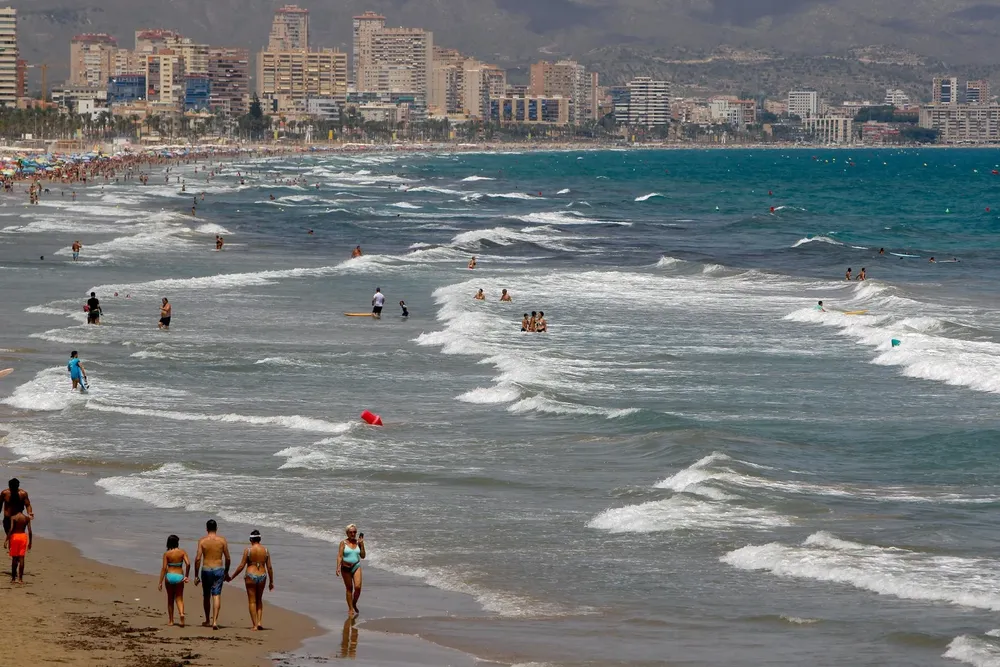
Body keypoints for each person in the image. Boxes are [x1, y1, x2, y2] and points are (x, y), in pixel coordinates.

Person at [228, 529, 274, 631]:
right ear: (260, 539)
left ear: (250, 539)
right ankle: (260, 622)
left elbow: (241, 566)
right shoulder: (265, 550)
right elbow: (269, 567)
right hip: (262, 575)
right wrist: (271, 581)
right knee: (259, 600)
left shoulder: (248, 550)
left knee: (252, 601)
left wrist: (232, 577)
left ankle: (254, 625)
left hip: (250, 575)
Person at [194, 519, 231, 630]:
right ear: (216, 528)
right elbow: (228, 558)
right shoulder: (222, 541)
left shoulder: (202, 541)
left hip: (206, 569)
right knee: (216, 595)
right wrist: (226, 572)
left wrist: (196, 575)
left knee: (206, 595)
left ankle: (207, 620)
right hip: (218, 569)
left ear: (206, 529)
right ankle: (215, 621)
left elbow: (198, 558)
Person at [157, 534, 190, 627]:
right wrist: (186, 576)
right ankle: (181, 614)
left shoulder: (167, 554)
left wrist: (160, 582)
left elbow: (164, 568)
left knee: (170, 599)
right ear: (177, 542)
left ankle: (171, 621)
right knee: (179, 597)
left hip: (169, 576)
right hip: (179, 576)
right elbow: (188, 564)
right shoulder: (182, 552)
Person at [336, 524, 366, 617]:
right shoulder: (343, 543)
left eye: (354, 532)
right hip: (345, 568)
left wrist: (362, 544)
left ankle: (354, 603)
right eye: (351, 532)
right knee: (349, 588)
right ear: (347, 533)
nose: (353, 534)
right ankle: (350, 608)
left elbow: (363, 556)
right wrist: (338, 567)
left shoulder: (358, 542)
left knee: (358, 587)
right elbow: (340, 556)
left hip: (356, 566)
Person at [4, 510, 30, 584]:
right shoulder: (26, 518)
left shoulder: (13, 517)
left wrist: (6, 540)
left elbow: (11, 529)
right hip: (23, 537)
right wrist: (30, 542)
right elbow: (30, 531)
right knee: (21, 557)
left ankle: (13, 579)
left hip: (15, 537)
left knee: (14, 558)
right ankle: (20, 579)